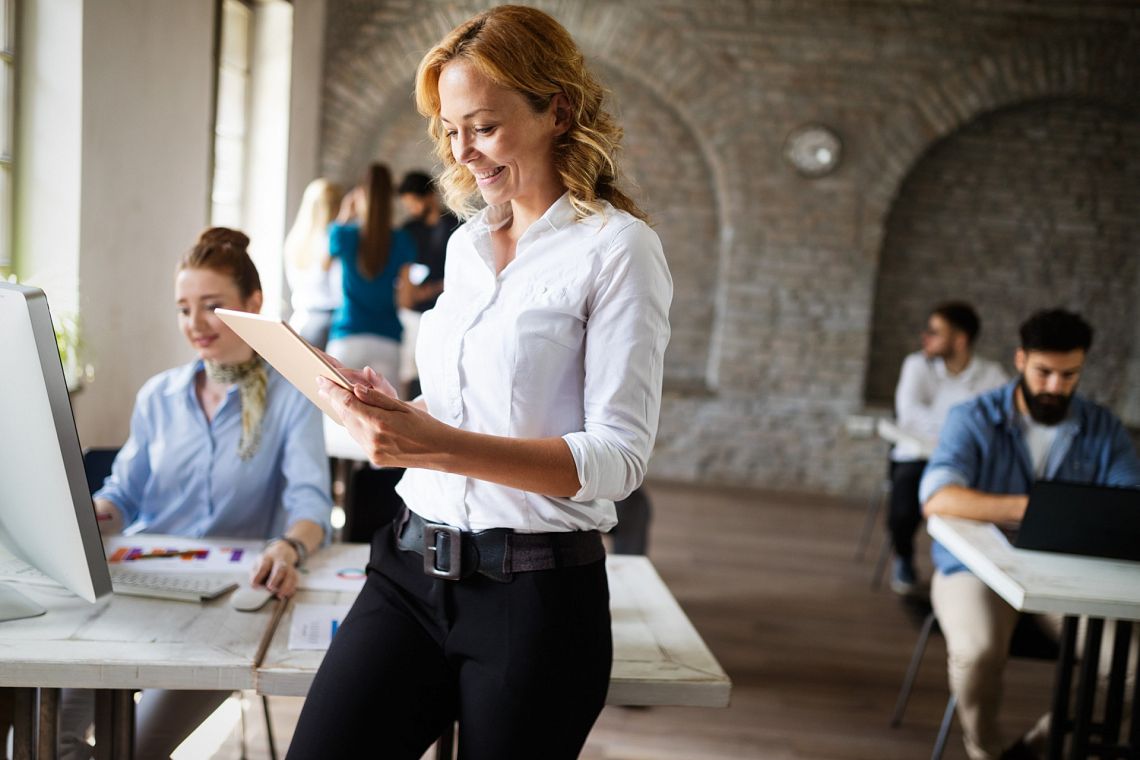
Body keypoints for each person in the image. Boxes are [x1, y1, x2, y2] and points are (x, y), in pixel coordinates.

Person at [285, 6, 672, 759]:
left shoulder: (619, 249)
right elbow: (472, 407)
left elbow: (618, 461)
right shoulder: (465, 245)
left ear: (556, 110)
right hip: (405, 571)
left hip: (532, 602)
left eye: (484, 126)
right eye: (450, 129)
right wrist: (402, 412)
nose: (463, 151)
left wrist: (435, 445)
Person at [59, 228, 333, 760]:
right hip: (138, 588)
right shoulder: (159, 395)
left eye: (213, 306)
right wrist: (98, 511)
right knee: (40, 739)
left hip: (226, 608)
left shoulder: (291, 398)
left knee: (130, 751)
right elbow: (127, 492)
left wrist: (288, 547)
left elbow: (310, 505)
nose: (195, 324)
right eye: (184, 309)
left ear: (253, 304)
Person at [920, 308, 1140, 760]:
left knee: (1132, 669)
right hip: (974, 570)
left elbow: (1129, 504)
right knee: (976, 654)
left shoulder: (1102, 427)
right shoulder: (973, 417)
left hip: (1070, 578)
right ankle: (988, 751)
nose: (1055, 387)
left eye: (1069, 375)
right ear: (1020, 360)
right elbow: (939, 497)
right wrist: (1031, 509)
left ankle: (1039, 745)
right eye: (1044, 372)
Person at [887, 301, 1007, 595]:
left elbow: (1002, 422)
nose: (925, 337)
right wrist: (963, 430)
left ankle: (975, 576)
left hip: (967, 462)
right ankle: (903, 557)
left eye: (934, 332)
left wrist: (956, 437)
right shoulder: (916, 365)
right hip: (916, 457)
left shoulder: (992, 376)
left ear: (960, 339)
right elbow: (909, 413)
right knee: (901, 510)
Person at [324, 163, 417, 388]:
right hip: (387, 340)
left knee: (337, 418)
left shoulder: (343, 234)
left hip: (347, 336)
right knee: (384, 419)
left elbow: (323, 265)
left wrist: (345, 213)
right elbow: (406, 300)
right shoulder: (403, 240)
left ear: (359, 194)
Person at [395, 170, 460, 397]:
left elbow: (464, 274)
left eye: (414, 203)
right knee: (407, 373)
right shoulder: (408, 230)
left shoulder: (457, 226)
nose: (411, 209)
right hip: (411, 313)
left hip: (446, 311)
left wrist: (433, 289)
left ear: (430, 196)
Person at [284, 178, 344, 349]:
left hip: (300, 319)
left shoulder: (295, 239)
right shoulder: (332, 241)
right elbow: (339, 289)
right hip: (327, 322)